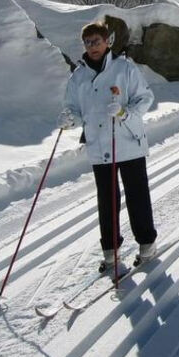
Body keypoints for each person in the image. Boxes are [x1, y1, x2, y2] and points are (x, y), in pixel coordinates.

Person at [57, 22, 157, 272]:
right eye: (88, 42)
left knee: (137, 196)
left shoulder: (124, 68)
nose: (92, 47)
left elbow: (145, 98)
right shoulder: (78, 76)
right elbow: (75, 109)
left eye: (96, 41)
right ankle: (111, 251)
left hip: (128, 142)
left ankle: (147, 244)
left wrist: (125, 113)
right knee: (107, 200)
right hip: (99, 146)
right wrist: (70, 118)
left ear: (107, 42)